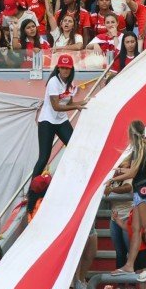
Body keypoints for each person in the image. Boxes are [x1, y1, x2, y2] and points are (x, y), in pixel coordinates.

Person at [27, 54, 88, 211]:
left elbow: (69, 102)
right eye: (62, 67)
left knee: (74, 146)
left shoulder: (70, 84)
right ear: (58, 68)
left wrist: (84, 103)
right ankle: (32, 192)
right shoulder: (54, 82)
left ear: (71, 69)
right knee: (44, 157)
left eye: (67, 68)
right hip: (47, 120)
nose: (65, 70)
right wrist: (77, 107)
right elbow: (56, 106)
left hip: (60, 120)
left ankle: (74, 180)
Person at [109, 120, 146, 282]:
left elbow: (133, 173)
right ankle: (130, 265)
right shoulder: (141, 147)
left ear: (132, 133)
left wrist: (110, 180)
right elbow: (133, 171)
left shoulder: (141, 147)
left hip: (145, 190)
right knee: (136, 228)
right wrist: (119, 170)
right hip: (140, 189)